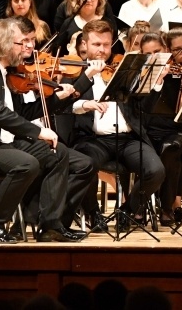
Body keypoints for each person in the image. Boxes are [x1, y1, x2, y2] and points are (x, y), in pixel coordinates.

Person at [0, 18, 86, 243]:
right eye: (22, 43)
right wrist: (38, 132)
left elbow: (23, 112)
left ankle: (50, 225)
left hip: (4, 142)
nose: (29, 47)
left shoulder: (5, 71)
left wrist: (56, 99)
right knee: (25, 164)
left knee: (59, 154)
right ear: (3, 43)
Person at [71, 20, 166, 230]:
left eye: (106, 44)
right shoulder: (76, 71)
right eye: (96, 44)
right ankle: (93, 213)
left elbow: (144, 107)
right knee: (84, 164)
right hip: (92, 140)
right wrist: (86, 103)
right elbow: (65, 105)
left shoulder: (123, 68)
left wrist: (156, 83)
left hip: (127, 139)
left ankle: (128, 210)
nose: (102, 50)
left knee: (156, 170)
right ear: (85, 45)